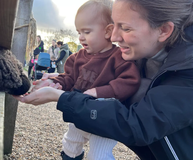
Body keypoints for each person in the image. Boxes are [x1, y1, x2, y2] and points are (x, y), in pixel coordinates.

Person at [14, 0, 193, 159]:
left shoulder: (186, 72)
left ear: (163, 30)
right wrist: (57, 81)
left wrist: (60, 96)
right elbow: (78, 75)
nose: (113, 37)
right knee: (71, 141)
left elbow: (138, 123)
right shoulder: (141, 53)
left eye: (126, 28)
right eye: (114, 25)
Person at [20, 0, 141, 159]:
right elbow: (69, 78)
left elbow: (129, 82)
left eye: (87, 32)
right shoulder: (76, 58)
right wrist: (53, 83)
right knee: (70, 144)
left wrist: (97, 92)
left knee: (98, 155)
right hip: (80, 113)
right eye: (79, 32)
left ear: (108, 31)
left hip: (105, 120)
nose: (81, 38)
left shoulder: (119, 58)